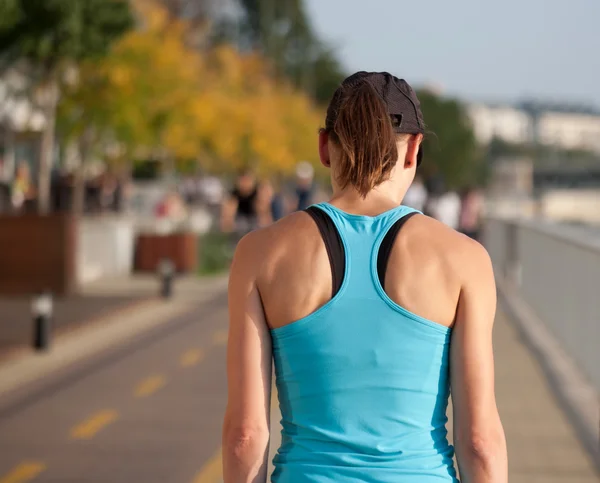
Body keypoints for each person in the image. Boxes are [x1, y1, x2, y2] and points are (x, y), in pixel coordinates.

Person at [223, 72, 507, 483]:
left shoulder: (258, 254)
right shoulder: (465, 260)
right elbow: (480, 441)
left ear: (325, 146)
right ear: (413, 151)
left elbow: (244, 436)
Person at [221, 168, 259, 235]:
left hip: (254, 219)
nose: (245, 183)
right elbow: (229, 212)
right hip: (239, 219)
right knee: (240, 225)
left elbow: (263, 211)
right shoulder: (234, 194)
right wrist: (228, 220)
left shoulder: (256, 193)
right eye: (243, 180)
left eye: (247, 180)